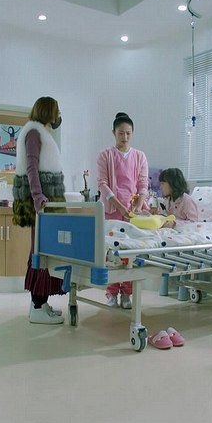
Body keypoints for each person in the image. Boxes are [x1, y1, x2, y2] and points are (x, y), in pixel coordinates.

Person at [12, 96, 67, 324]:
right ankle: (37, 306)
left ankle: (41, 303)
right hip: (42, 203)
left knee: (44, 250)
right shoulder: (34, 133)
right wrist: (37, 197)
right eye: (57, 110)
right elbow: (32, 167)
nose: (59, 115)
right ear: (49, 111)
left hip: (47, 202)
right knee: (40, 251)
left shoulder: (40, 132)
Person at [96, 112, 149, 309]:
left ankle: (127, 293)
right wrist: (119, 206)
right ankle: (111, 292)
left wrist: (137, 206)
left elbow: (143, 184)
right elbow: (102, 183)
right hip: (112, 209)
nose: (125, 137)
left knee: (129, 253)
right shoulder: (105, 155)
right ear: (113, 133)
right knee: (111, 253)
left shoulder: (140, 156)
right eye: (121, 133)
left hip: (132, 211)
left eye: (128, 133)